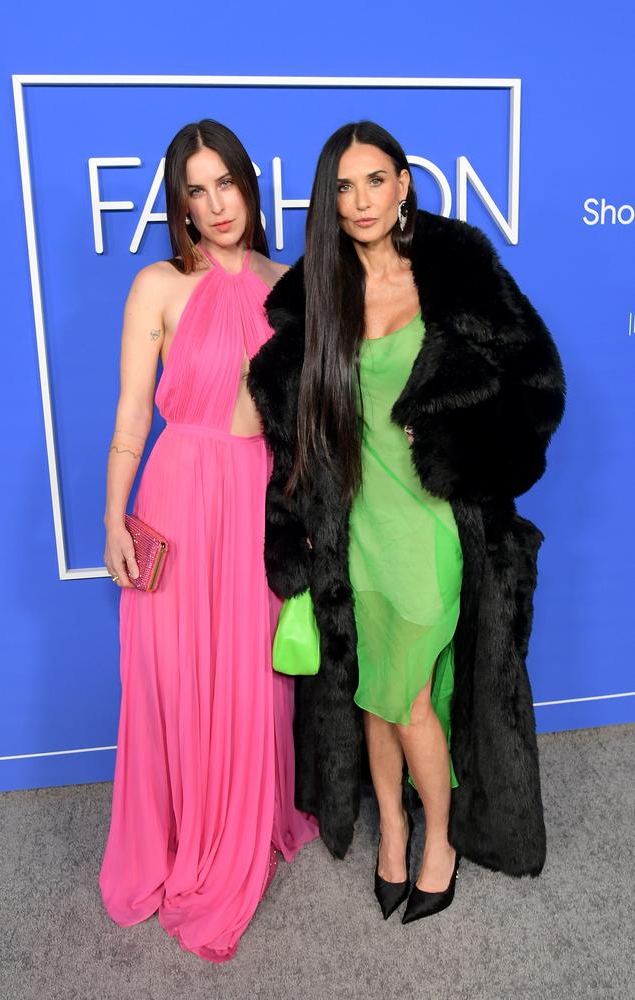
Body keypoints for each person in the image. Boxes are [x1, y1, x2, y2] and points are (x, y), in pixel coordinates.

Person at [248, 121, 565, 923]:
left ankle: (440, 842)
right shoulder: (318, 294)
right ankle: (391, 828)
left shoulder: (456, 272)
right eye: (345, 187)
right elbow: (293, 423)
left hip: (430, 530)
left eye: (376, 181)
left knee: (413, 694)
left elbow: (538, 383)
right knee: (370, 691)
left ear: (404, 187)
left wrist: (462, 432)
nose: (361, 201)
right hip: (355, 526)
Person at [100, 118, 317, 962]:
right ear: (180, 204)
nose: (217, 203)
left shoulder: (288, 281)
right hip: (178, 494)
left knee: (251, 677)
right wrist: (114, 517)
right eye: (198, 189)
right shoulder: (156, 284)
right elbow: (129, 419)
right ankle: (176, 838)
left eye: (227, 183)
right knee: (172, 675)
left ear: (249, 188)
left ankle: (242, 827)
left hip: (255, 497)